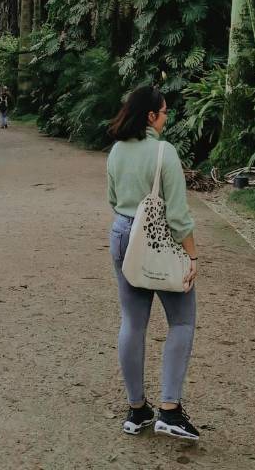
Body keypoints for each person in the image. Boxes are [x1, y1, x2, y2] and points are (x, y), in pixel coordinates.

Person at [106, 85, 199, 442]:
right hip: (158, 238)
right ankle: (170, 411)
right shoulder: (165, 152)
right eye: (164, 111)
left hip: (122, 235)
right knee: (182, 321)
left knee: (132, 321)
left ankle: (137, 409)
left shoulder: (116, 151)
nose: (167, 117)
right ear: (150, 116)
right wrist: (192, 255)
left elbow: (112, 198)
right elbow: (177, 217)